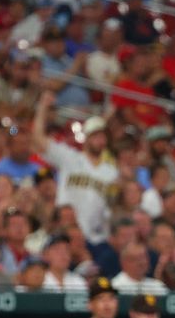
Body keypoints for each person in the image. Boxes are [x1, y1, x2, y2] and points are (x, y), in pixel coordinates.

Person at [32, 90, 118, 248]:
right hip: (64, 232)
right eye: (96, 136)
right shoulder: (70, 158)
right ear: (87, 138)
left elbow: (112, 207)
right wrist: (42, 108)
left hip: (93, 238)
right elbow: (38, 138)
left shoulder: (112, 172)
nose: (100, 140)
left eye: (103, 136)